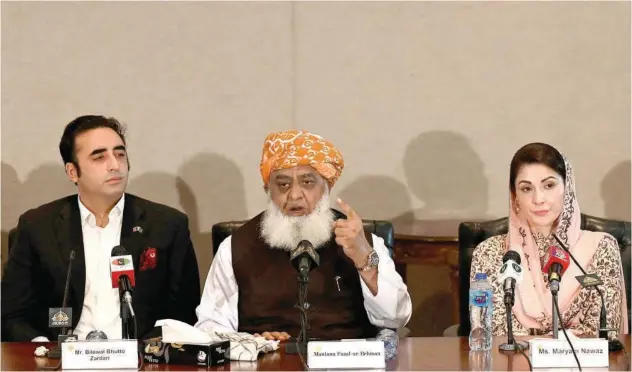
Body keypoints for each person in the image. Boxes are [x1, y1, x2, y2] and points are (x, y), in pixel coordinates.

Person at [195, 130, 412, 341]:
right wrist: (254, 343)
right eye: (283, 184)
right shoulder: (236, 247)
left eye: (307, 182)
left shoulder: (363, 241)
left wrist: (364, 258)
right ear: (267, 189)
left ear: (326, 187)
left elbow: (396, 318)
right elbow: (210, 327)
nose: (295, 195)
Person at [1, 115, 200, 341]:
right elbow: (11, 313)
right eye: (99, 157)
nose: (115, 165)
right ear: (72, 172)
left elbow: (184, 314)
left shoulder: (167, 225)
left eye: (120, 154)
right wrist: (43, 349)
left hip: (141, 360)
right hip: (61, 360)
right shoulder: (37, 226)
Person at [470, 142, 628, 336]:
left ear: (567, 188)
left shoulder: (601, 248)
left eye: (549, 185)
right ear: (514, 196)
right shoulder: (490, 253)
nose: (539, 199)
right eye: (527, 189)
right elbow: (494, 338)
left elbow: (602, 334)